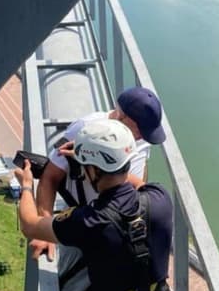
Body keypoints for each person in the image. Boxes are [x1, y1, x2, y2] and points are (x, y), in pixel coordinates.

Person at [15, 119, 178, 291]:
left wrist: (25, 185)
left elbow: (29, 224)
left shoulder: (88, 222)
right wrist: (95, 159)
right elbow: (137, 184)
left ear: (92, 170)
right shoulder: (160, 198)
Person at [30, 86, 166, 262]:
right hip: (87, 221)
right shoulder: (85, 130)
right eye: (140, 131)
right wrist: (44, 229)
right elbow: (50, 177)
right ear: (121, 116)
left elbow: (141, 171)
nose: (143, 137)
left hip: (123, 225)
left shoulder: (142, 139)